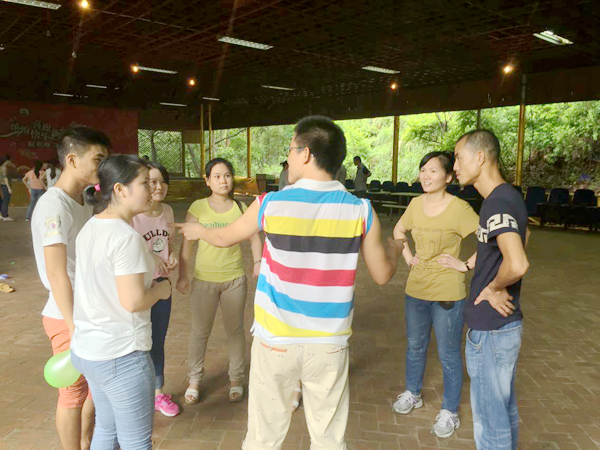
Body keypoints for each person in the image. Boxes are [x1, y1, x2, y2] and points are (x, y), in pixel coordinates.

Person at [173, 116, 404, 450]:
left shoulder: (271, 203)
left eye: (291, 149)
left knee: (263, 439)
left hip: (275, 341)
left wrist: (198, 231)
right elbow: (382, 275)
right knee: (328, 440)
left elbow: (223, 238)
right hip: (330, 344)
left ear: (306, 153)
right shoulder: (361, 210)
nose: (289, 157)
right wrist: (395, 248)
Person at [70, 155, 171, 449]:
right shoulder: (126, 237)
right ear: (119, 189)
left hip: (91, 349)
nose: (152, 189)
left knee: (107, 429)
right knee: (136, 442)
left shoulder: (91, 226)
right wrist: (162, 290)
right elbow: (134, 301)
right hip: (121, 354)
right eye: (144, 183)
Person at [31, 126, 111, 450]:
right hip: (67, 315)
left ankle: (85, 440)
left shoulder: (82, 201)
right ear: (73, 160)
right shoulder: (54, 206)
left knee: (94, 386)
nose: (103, 167)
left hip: (88, 310)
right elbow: (56, 272)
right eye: (98, 159)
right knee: (72, 392)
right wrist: (74, 325)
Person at [391, 151, 479, 438]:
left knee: (448, 353)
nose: (425, 176)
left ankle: (450, 410)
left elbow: (489, 239)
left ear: (448, 176)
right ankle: (412, 393)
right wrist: (407, 255)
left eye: (433, 171)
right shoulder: (415, 204)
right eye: (423, 170)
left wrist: (465, 265)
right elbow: (398, 230)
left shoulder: (460, 209)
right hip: (416, 289)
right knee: (415, 346)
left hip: (447, 292)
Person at [454, 130, 530, 450]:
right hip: (504, 327)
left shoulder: (496, 201)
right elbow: (523, 236)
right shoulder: (507, 196)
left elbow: (518, 263)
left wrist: (494, 286)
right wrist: (473, 264)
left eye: (458, 158)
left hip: (491, 329)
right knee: (503, 411)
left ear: (480, 157)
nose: (455, 166)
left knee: (489, 421)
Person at [177, 158, 263, 404]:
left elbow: (254, 237)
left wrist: (258, 261)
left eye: (227, 175)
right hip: (204, 280)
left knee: (235, 331)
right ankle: (194, 380)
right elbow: (186, 246)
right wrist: (183, 275)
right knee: (199, 332)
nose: (223, 181)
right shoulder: (198, 207)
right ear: (207, 181)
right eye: (216, 176)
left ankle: (236, 379)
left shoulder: (240, 207)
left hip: (234, 280)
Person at [131, 162, 180, 417]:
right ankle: (137, 394)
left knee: (157, 340)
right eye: (152, 181)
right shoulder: (132, 215)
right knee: (137, 342)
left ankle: (157, 393)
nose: (158, 186)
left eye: (162, 181)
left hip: (162, 286)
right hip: (138, 287)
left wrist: (171, 257)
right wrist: (150, 257)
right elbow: (128, 248)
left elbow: (167, 245)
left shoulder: (167, 211)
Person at [0, 154, 16, 221]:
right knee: (6, 200)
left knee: (2, 201)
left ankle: (2, 214)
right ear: (7, 161)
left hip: (2, 184)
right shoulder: (4, 168)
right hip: (5, 185)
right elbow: (5, 178)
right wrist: (9, 187)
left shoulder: (1, 167)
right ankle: (5, 216)